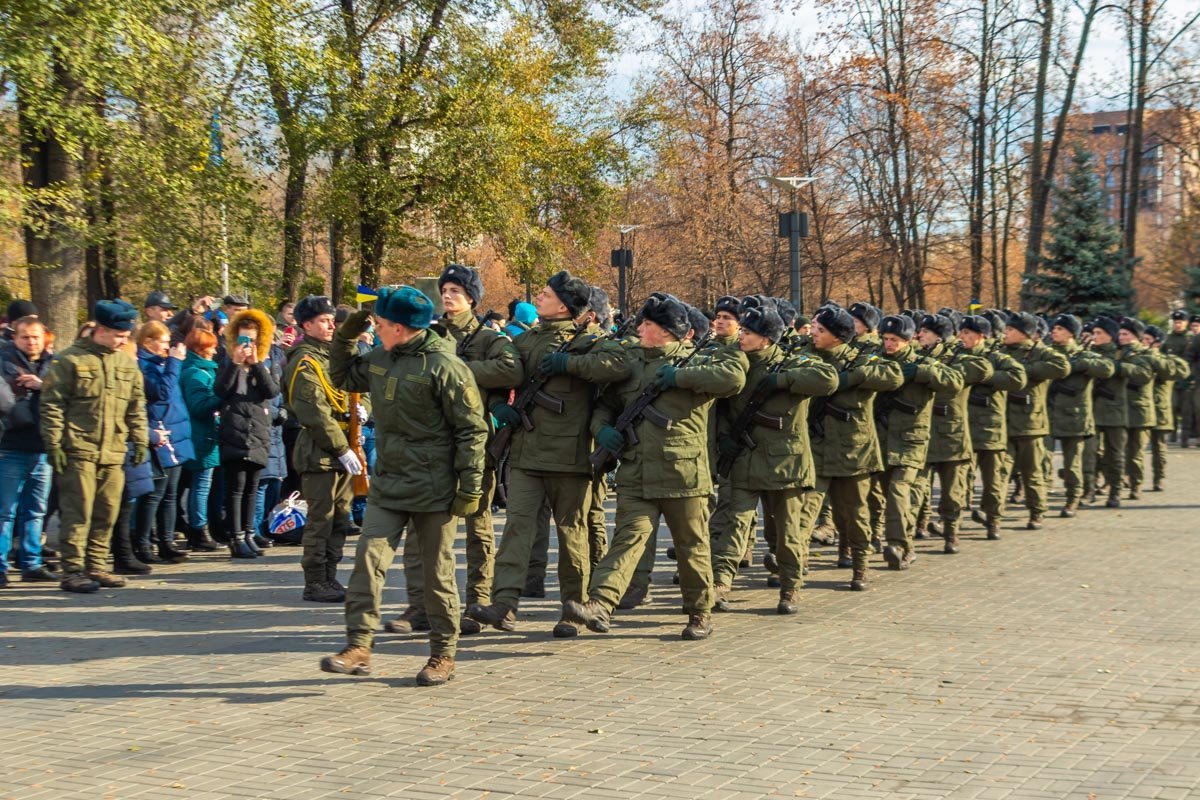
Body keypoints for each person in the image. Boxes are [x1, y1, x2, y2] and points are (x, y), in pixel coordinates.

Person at [320, 285, 488, 686]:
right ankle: (359, 646)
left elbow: (472, 430)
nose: (375, 330)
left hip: (435, 488)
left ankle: (443, 654)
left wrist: (470, 488)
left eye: (379, 323)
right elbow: (341, 374)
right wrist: (348, 332)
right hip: (389, 483)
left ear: (398, 327)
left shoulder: (446, 367)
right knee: (367, 563)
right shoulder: (382, 358)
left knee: (437, 574)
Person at [562, 293, 745, 639]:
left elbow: (733, 378)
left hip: (683, 475)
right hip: (637, 472)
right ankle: (600, 603)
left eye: (647, 324)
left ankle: (699, 612)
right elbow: (606, 405)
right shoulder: (631, 361)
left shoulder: (695, 361)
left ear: (667, 332)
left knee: (692, 547)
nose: (640, 329)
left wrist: (679, 378)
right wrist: (601, 429)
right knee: (626, 541)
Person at [467, 271, 627, 638]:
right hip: (527, 452)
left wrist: (569, 364)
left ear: (565, 307)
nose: (538, 297)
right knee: (516, 530)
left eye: (545, 294)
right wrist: (497, 405)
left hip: (571, 458)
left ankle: (573, 608)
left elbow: (619, 365)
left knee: (572, 536)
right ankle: (504, 603)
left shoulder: (589, 341)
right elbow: (502, 374)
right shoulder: (525, 340)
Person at [389, 265, 522, 636]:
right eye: (445, 290)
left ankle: (478, 602)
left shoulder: (488, 338)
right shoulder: (428, 334)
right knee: (421, 531)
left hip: (474, 446)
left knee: (478, 530)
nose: (447, 296)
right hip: (430, 446)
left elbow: (511, 371)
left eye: (456, 291)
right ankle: (420, 605)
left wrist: (458, 367)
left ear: (472, 299)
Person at [711, 304, 836, 611]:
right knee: (734, 524)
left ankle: (790, 587)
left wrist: (783, 381)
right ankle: (720, 583)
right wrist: (724, 438)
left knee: (786, 531)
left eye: (748, 332)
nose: (741, 336)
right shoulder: (735, 361)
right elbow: (722, 408)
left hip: (785, 463)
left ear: (766, 339)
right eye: (742, 330)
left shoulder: (792, 362)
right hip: (745, 457)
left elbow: (828, 379)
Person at [40, 299, 149, 594]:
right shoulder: (69, 361)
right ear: (101, 330)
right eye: (118, 335)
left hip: (113, 450)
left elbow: (136, 407)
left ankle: (97, 565)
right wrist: (54, 444)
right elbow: (52, 406)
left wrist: (140, 439)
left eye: (125, 336)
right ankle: (72, 570)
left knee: (107, 511)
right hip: (78, 449)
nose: (123, 341)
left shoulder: (126, 364)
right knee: (78, 512)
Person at [284, 295, 363, 602]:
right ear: (306, 325)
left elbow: (357, 388)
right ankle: (315, 580)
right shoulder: (305, 362)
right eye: (323, 321)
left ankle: (330, 576)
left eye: (332, 320)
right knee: (321, 521)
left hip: (344, 446)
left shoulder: (333, 357)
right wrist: (341, 449)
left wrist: (363, 410)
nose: (331, 326)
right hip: (320, 452)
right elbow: (313, 411)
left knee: (340, 519)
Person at [871, 314, 960, 569]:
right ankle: (905, 545)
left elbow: (954, 382)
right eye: (886, 339)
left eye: (894, 340)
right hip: (881, 441)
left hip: (911, 441)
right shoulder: (876, 360)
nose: (889, 344)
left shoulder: (923, 362)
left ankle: (897, 544)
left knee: (899, 491)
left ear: (909, 340)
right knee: (889, 496)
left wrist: (922, 372)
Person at [914, 313, 991, 553]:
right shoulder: (916, 356)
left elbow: (983, 369)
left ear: (939, 337)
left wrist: (934, 366)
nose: (919, 335)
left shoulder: (959, 358)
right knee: (914, 490)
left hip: (951, 436)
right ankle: (912, 532)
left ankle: (951, 533)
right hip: (921, 434)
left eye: (925, 332)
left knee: (952, 493)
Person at [215, 309, 280, 559]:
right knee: (236, 487)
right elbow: (221, 390)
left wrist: (256, 364)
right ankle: (236, 537)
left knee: (252, 486)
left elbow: (271, 391)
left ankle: (249, 533)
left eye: (252, 340)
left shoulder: (266, 362)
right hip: (234, 429)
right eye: (243, 339)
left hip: (258, 430)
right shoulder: (226, 360)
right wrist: (235, 362)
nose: (247, 345)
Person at [0, 316, 58, 585]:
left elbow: (66, 396)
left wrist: (42, 386)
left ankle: (31, 563)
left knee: (36, 510)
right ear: (15, 338)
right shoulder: (5, 362)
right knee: (5, 511)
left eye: (36, 336)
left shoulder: (53, 363)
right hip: (10, 446)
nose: (31, 342)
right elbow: (7, 404)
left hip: (43, 447)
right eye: (25, 337)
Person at [1000, 311, 1070, 529]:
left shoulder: (1039, 351)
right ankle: (993, 514)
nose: (1005, 333)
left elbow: (1062, 366)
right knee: (1000, 471)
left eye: (1010, 330)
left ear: (1024, 333)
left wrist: (1024, 371)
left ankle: (1036, 511)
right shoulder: (1001, 351)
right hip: (1003, 421)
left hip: (1030, 423)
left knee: (1031, 471)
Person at [133, 321, 196, 564]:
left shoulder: (162, 363)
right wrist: (174, 362)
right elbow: (162, 392)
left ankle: (166, 542)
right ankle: (143, 544)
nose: (168, 347)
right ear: (148, 342)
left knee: (171, 494)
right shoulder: (144, 365)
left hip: (175, 434)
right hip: (159, 434)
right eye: (163, 342)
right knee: (154, 495)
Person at [960, 316, 1026, 538]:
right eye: (961, 332)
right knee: (959, 479)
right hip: (961, 429)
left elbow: (1018, 378)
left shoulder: (996, 358)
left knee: (993, 481)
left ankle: (993, 520)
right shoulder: (956, 356)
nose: (962, 336)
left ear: (981, 336)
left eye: (967, 333)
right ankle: (951, 523)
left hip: (990, 429)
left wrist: (985, 376)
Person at [1046, 314, 1111, 517]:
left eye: (1060, 329)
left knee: (1072, 463)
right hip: (1046, 415)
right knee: (1041, 459)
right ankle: (1037, 501)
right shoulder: (1046, 352)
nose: (1054, 331)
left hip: (1074, 417)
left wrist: (1082, 364)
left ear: (1071, 333)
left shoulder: (1083, 354)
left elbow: (1107, 368)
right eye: (1054, 328)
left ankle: (1072, 499)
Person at [179, 328, 224, 548]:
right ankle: (199, 530)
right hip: (201, 436)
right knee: (201, 485)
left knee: (201, 484)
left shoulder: (200, 371)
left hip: (202, 434)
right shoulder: (196, 374)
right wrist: (221, 397)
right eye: (212, 347)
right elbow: (199, 407)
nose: (215, 351)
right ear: (202, 348)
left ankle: (199, 528)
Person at [1117, 317, 1158, 500]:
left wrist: (1121, 367)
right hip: (1119, 409)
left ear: (1136, 336)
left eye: (1125, 334)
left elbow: (1144, 375)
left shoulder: (1145, 354)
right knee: (1118, 450)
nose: (1121, 337)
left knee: (1135, 452)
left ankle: (1136, 484)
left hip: (1139, 411)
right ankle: (1117, 481)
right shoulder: (1118, 352)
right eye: (1120, 333)